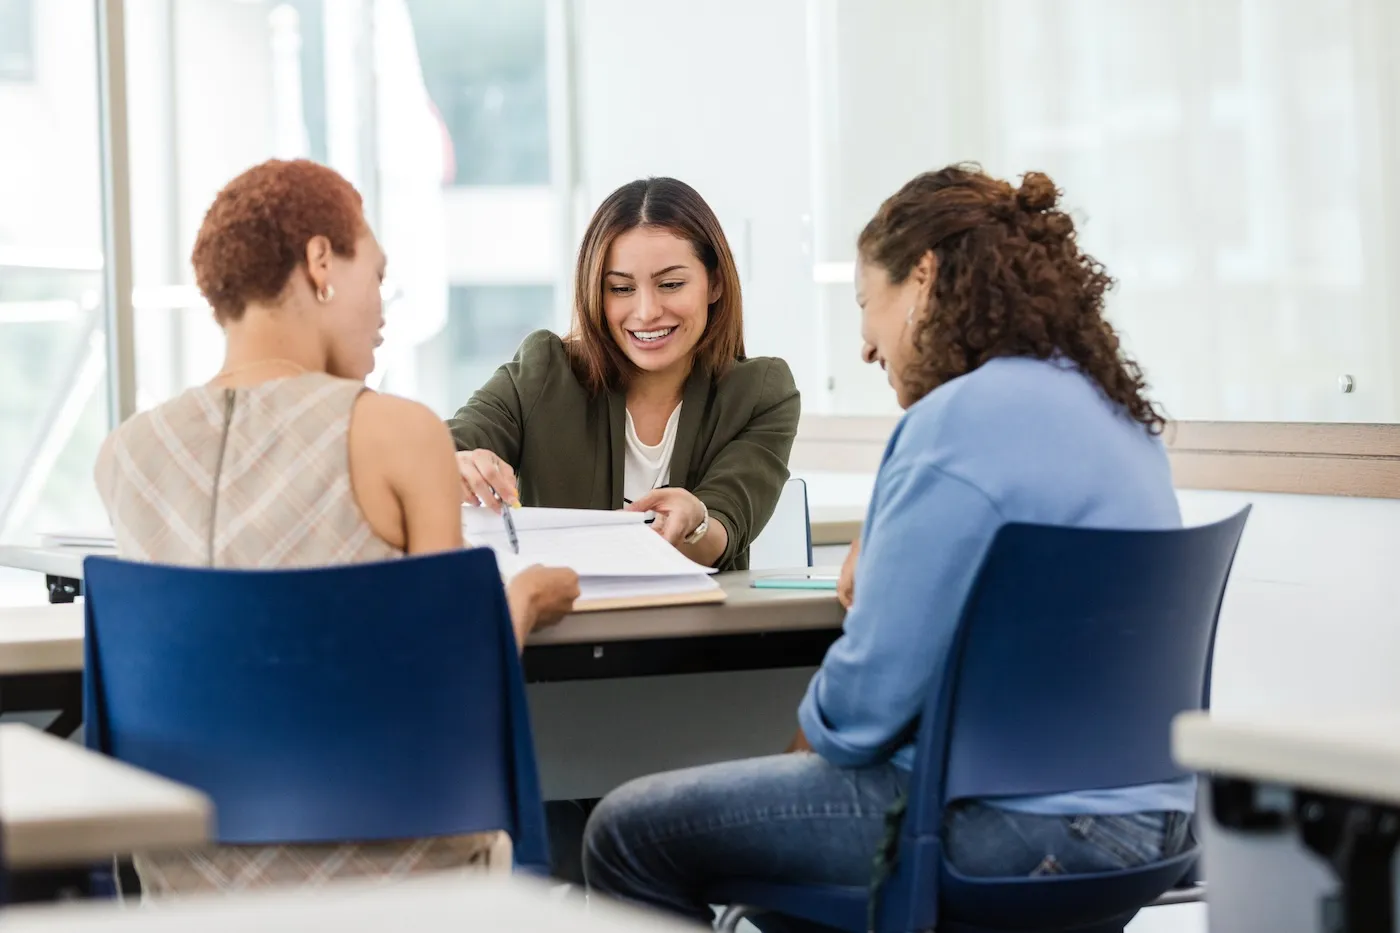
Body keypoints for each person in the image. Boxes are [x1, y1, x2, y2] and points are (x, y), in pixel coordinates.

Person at [582, 165, 1192, 930]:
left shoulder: (953, 424)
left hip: (1004, 825)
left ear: (925, 279)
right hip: (1149, 821)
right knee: (784, 903)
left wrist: (799, 750)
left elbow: (860, 711)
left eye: (868, 304)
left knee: (628, 831)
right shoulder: (1114, 411)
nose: (867, 345)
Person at [94, 158, 579, 896]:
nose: (384, 310)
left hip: (186, 883)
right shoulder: (398, 432)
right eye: (377, 277)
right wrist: (523, 601)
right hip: (395, 878)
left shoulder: (125, 455)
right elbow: (449, 693)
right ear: (321, 261)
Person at [447, 177, 800, 572]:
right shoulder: (545, 369)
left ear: (714, 283)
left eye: (671, 284)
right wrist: (455, 462)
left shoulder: (761, 393)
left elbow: (726, 523)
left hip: (700, 630)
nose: (647, 311)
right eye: (620, 288)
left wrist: (696, 522)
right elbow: (447, 444)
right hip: (567, 628)